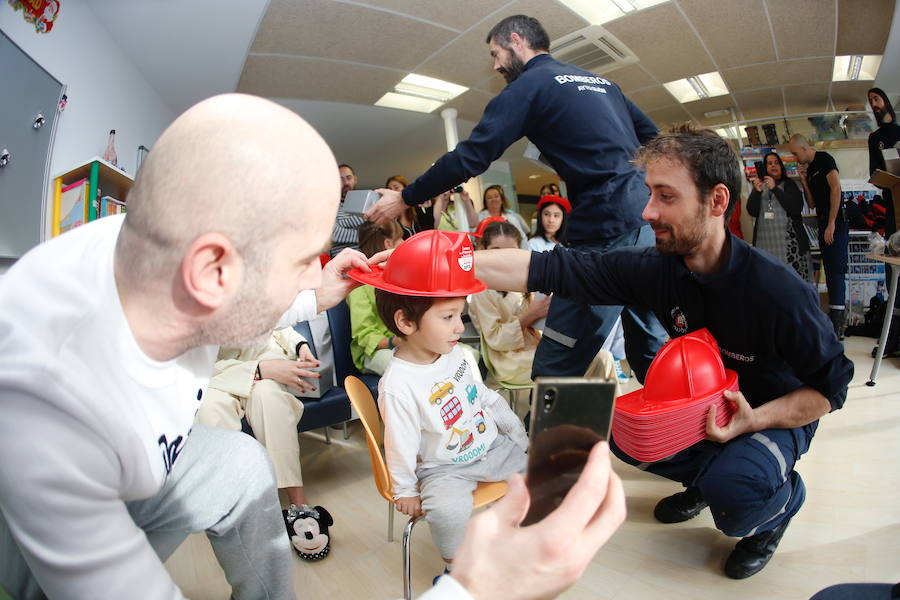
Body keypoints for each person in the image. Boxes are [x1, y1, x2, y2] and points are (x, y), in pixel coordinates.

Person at [0, 93, 628, 600]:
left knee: (244, 468)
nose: (316, 271)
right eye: (305, 260)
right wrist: (478, 588)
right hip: (73, 510)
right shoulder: (49, 417)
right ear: (214, 270)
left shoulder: (151, 245)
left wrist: (315, 294)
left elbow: (227, 312)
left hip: (154, 459)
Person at [473, 123, 854, 580]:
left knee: (737, 499)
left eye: (665, 196)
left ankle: (778, 508)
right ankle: (706, 481)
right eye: (649, 193)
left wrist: (755, 420)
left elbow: (831, 390)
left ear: (716, 201)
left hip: (769, 409)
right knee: (626, 435)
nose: (647, 211)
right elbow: (550, 267)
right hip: (702, 402)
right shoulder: (658, 268)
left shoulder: (778, 292)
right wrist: (434, 266)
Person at [365, 14, 666, 385]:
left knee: (555, 368)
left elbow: (471, 156)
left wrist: (405, 197)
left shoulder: (530, 85)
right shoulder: (603, 83)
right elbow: (656, 142)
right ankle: (673, 439)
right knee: (651, 348)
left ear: (516, 40)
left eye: (496, 54)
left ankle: (545, 443)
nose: (495, 66)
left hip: (604, 234)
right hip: (648, 223)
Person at [373, 250, 529, 580]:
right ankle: (454, 569)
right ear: (406, 322)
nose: (460, 327)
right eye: (448, 317)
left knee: (539, 476)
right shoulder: (398, 385)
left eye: (460, 315)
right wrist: (405, 490)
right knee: (445, 511)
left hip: (489, 447)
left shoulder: (452, 351)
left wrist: (509, 423)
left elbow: (477, 393)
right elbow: (399, 444)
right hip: (442, 468)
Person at [195, 326, 332, 560]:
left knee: (269, 397)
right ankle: (238, 512)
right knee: (209, 409)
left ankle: (298, 504)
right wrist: (255, 370)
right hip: (213, 373)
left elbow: (279, 325)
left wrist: (301, 346)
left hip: (262, 357)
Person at [470, 221, 548, 386]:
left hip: (536, 349)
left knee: (599, 356)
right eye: (495, 251)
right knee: (574, 363)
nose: (502, 258)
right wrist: (530, 315)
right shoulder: (481, 290)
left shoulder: (524, 282)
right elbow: (496, 340)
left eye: (510, 252)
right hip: (510, 361)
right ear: (482, 250)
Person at [789, 134, 848, 338]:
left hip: (836, 222)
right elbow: (812, 204)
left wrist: (832, 222)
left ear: (804, 148)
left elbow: (836, 188)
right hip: (823, 221)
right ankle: (834, 321)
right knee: (830, 269)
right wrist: (804, 181)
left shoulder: (824, 159)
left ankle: (838, 324)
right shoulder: (811, 168)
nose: (795, 158)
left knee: (836, 270)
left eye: (796, 153)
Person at [867, 88, 900, 355]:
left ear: (886, 101)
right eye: (870, 102)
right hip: (892, 211)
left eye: (876, 99)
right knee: (893, 273)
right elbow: (873, 174)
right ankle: (893, 337)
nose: (873, 104)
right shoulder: (874, 139)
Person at [348, 220, 406, 375]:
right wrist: (394, 342)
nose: (405, 242)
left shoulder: (404, 273)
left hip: (407, 342)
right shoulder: (358, 284)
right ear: (388, 244)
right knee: (406, 368)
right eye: (401, 238)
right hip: (376, 351)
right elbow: (365, 335)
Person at [746, 152, 811, 279]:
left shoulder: (789, 184)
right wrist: (757, 192)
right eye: (769, 164)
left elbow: (796, 207)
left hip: (789, 248)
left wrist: (775, 188)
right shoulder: (760, 186)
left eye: (776, 163)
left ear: (781, 166)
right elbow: (752, 211)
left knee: (793, 284)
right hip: (765, 248)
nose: (773, 166)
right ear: (765, 168)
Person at [331, 163, 366, 256]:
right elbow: (334, 234)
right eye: (341, 179)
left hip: (368, 262)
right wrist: (363, 220)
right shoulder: (329, 206)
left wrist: (340, 223)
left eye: (349, 178)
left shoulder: (366, 203)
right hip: (341, 264)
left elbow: (377, 231)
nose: (346, 183)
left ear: (355, 179)